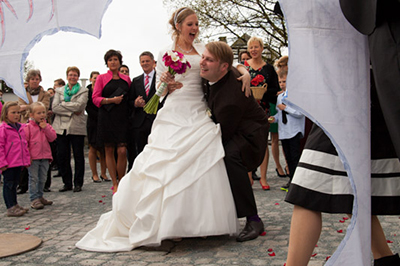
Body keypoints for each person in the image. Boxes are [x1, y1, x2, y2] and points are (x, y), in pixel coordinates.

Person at [76, 7, 252, 252]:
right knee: (167, 167)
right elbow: (157, 94)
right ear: (178, 26)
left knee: (204, 162)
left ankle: (201, 224)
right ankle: (172, 224)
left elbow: (227, 62)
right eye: (190, 24)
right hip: (174, 111)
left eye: (197, 24)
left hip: (199, 112)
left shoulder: (203, 49)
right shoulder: (165, 53)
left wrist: (244, 73)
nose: (195, 28)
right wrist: (167, 85)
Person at [201, 41, 269, 241]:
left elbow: (224, 134)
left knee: (229, 156)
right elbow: (235, 65)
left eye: (209, 60)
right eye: (203, 57)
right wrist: (243, 68)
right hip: (234, 124)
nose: (202, 62)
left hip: (251, 132)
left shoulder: (230, 98)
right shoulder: (213, 72)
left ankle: (253, 219)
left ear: (223, 67)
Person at [92, 50, 131, 193]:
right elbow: (95, 98)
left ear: (120, 61)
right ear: (106, 63)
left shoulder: (126, 79)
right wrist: (111, 100)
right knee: (109, 149)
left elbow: (129, 98)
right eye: (110, 60)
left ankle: (122, 180)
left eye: (115, 59)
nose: (113, 62)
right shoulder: (101, 78)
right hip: (106, 117)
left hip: (122, 117)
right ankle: (115, 183)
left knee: (122, 150)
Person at [244, 36, 280, 189]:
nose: (253, 50)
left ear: (262, 48)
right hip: (246, 109)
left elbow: (275, 90)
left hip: (263, 109)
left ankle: (263, 178)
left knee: (263, 143)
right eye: (251, 47)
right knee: (247, 142)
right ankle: (249, 176)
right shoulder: (243, 67)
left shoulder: (269, 69)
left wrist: (264, 92)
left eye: (256, 47)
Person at [52, 66, 88, 193]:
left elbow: (80, 106)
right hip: (61, 127)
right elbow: (55, 107)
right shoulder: (59, 91)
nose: (73, 77)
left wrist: (64, 106)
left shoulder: (83, 91)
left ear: (78, 77)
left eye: (75, 75)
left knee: (78, 155)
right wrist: (70, 110)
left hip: (76, 127)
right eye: (70, 75)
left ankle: (78, 183)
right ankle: (67, 183)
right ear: (67, 76)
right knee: (62, 155)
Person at [268, 70, 305, 190]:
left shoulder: (296, 95)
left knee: (295, 156)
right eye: (280, 82)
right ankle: (291, 179)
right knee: (288, 157)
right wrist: (273, 118)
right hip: (283, 131)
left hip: (294, 130)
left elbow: (300, 113)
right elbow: (280, 114)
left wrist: (285, 108)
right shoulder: (280, 96)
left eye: (284, 81)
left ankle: (297, 182)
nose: (282, 84)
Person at [17, 69, 50, 195]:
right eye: (32, 79)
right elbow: (20, 108)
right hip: (26, 125)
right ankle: (23, 185)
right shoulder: (22, 93)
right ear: (28, 80)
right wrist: (35, 107)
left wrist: (29, 107)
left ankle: (44, 187)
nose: (35, 81)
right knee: (27, 155)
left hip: (42, 126)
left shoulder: (45, 93)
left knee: (43, 155)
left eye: (37, 79)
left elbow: (45, 107)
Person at [127, 51, 159, 170]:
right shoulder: (136, 81)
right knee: (141, 152)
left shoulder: (160, 78)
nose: (145, 63)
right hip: (139, 123)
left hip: (156, 120)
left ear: (153, 62)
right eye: (143, 61)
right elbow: (129, 101)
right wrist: (135, 103)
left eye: (147, 61)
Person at [0, 101, 31, 217]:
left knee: (15, 184)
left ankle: (15, 203)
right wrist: (2, 163)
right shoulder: (3, 129)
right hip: (8, 163)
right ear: (6, 114)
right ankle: (10, 206)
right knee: (8, 185)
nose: (16, 115)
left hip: (19, 162)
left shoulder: (21, 128)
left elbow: (24, 145)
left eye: (18, 112)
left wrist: (26, 159)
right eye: (13, 112)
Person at [25, 102, 56, 209]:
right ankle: (34, 198)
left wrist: (46, 128)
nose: (42, 115)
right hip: (34, 157)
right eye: (39, 113)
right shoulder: (28, 127)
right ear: (32, 115)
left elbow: (52, 138)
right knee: (33, 178)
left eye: (43, 112)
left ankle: (40, 195)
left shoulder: (47, 126)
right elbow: (26, 142)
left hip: (45, 156)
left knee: (43, 178)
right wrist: (28, 156)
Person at [86, 71, 110, 183]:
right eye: (94, 78)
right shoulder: (87, 91)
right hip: (92, 122)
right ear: (90, 79)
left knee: (104, 149)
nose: (96, 79)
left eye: (98, 77)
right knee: (93, 147)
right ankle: (94, 174)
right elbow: (88, 107)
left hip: (104, 121)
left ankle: (104, 173)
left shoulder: (103, 88)